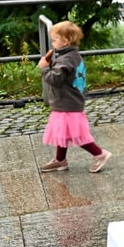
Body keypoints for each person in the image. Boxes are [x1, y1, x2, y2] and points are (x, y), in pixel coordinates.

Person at [37, 20, 111, 174]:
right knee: (62, 133)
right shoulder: (72, 56)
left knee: (76, 135)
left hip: (68, 104)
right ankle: (60, 160)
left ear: (66, 41)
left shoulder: (66, 59)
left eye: (55, 39)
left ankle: (100, 154)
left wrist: (44, 69)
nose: (52, 43)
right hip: (68, 102)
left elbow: (55, 80)